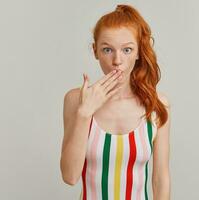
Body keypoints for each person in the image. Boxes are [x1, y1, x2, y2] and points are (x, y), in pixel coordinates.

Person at [60, 4, 171, 200]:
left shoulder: (157, 104)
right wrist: (85, 112)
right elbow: (69, 176)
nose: (117, 60)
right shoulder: (75, 100)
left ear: (138, 52)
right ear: (95, 51)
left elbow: (160, 179)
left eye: (127, 50)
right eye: (107, 50)